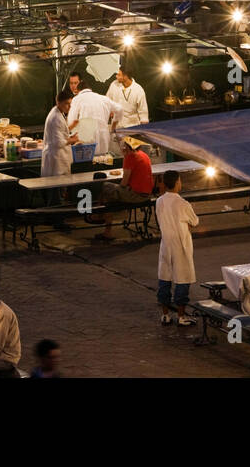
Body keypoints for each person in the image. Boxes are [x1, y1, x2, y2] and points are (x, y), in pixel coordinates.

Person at [156, 171, 198, 326]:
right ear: (176, 182)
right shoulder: (183, 204)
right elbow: (194, 221)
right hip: (180, 245)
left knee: (164, 279)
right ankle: (181, 316)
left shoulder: (159, 201)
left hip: (166, 243)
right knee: (182, 280)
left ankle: (165, 314)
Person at [90, 141, 154, 242]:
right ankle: (103, 221)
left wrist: (117, 188)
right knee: (110, 193)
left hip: (136, 195)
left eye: (124, 145)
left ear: (127, 147)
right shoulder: (144, 155)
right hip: (147, 194)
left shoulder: (130, 157)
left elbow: (124, 183)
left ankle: (100, 218)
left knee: (106, 187)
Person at [105, 66, 149, 143]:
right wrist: (110, 110)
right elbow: (107, 100)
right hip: (117, 127)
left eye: (119, 75)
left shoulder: (138, 90)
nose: (116, 76)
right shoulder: (114, 84)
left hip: (132, 129)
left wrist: (144, 132)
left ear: (125, 76)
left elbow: (143, 112)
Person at [40, 88, 77, 177]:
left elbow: (61, 134)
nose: (69, 107)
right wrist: (74, 139)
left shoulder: (58, 113)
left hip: (59, 159)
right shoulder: (55, 118)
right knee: (57, 189)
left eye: (70, 104)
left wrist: (71, 136)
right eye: (67, 104)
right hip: (57, 162)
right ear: (58, 102)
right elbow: (58, 142)